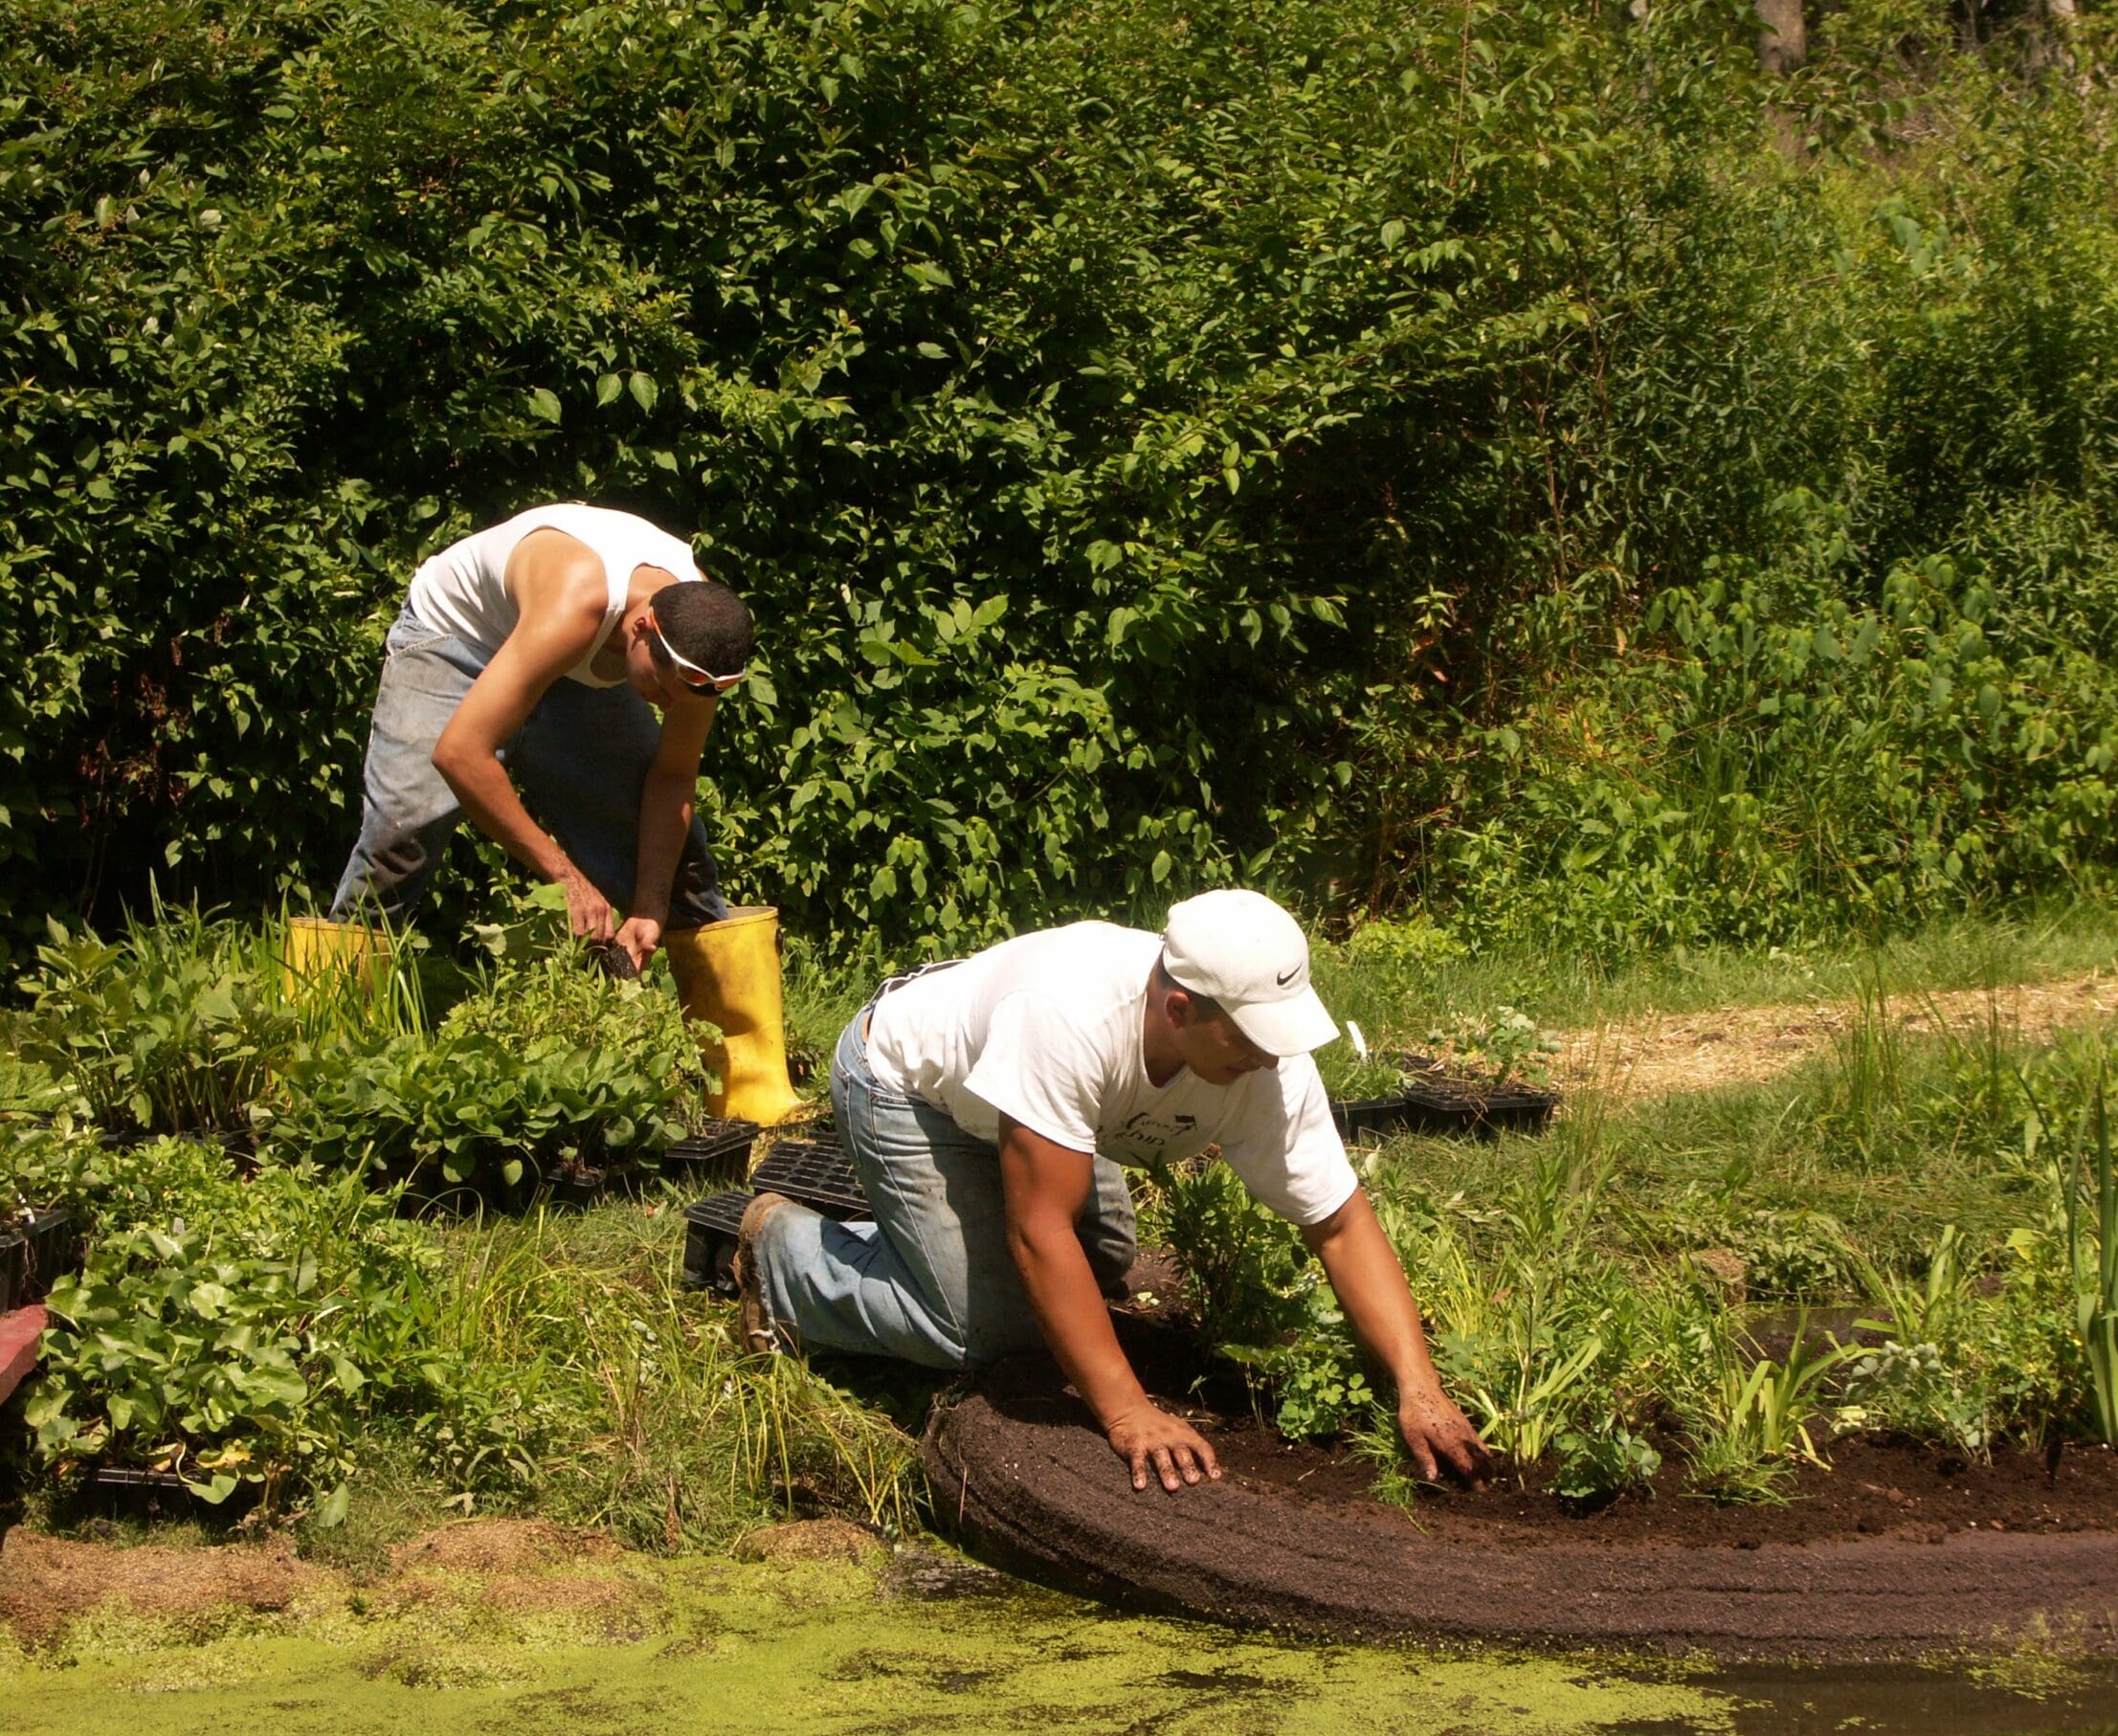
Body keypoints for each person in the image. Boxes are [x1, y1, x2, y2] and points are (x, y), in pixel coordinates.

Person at [732, 889, 1495, 1495]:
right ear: (1179, 1009)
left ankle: (916, 1243)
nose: (1270, 1058)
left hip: (1033, 1104)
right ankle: (782, 1257)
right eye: (1251, 1038)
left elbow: (1338, 1223)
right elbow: (1038, 1233)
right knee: (982, 1329)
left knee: (1105, 1257)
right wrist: (1130, 1413)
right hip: (910, 1083)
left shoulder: (1264, 1054)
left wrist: (1418, 1385)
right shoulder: (1067, 1016)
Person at [326, 502, 754, 972]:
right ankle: (328, 1005)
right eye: (658, 688)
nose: (667, 707)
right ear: (641, 629)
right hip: (459, 637)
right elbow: (460, 754)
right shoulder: (578, 603)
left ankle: (727, 1036)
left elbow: (672, 779)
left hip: (570, 656)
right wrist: (566, 879)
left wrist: (650, 906)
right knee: (403, 830)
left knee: (680, 865)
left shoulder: (701, 645)